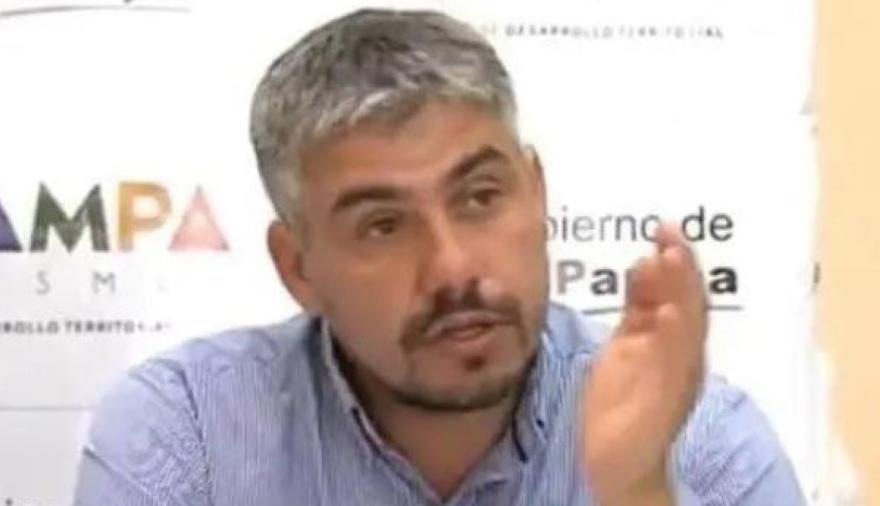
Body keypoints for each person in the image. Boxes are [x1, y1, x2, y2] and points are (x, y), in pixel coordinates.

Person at [73, 8, 805, 505]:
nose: (453, 267)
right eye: (383, 226)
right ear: (298, 267)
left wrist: (639, 494)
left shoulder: (701, 440)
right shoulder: (191, 431)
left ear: (536, 192)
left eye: (480, 197)